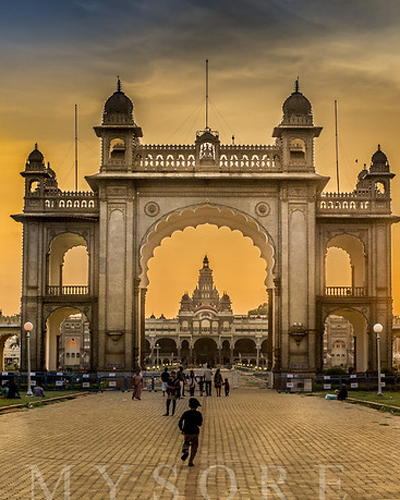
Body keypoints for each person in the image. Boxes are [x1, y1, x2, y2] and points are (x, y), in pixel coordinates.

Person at [179, 397, 203, 467]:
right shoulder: (198, 414)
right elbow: (200, 424)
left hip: (186, 431)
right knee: (194, 447)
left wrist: (181, 429)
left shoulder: (186, 413)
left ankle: (185, 450)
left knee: (186, 442)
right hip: (195, 432)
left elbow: (180, 421)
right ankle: (191, 461)